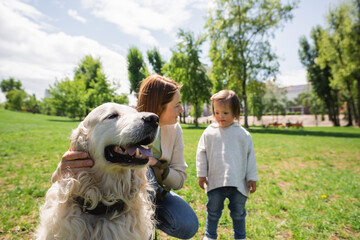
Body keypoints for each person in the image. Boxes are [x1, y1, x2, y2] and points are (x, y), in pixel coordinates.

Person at [56, 74, 199, 239]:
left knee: (187, 223)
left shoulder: (175, 130)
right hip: (120, 196)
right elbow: (65, 170)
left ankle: (145, 228)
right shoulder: (131, 119)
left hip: (153, 194)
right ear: (160, 104)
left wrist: (156, 164)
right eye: (177, 105)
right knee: (147, 172)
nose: (181, 109)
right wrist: (63, 167)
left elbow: (180, 179)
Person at [196, 90, 258, 240]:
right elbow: (201, 153)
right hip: (215, 181)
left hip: (238, 183)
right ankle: (210, 236)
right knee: (212, 211)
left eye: (225, 113)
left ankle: (240, 237)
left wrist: (252, 178)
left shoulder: (243, 135)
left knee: (238, 213)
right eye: (216, 112)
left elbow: (251, 158)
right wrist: (201, 174)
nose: (220, 116)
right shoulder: (209, 133)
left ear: (235, 113)